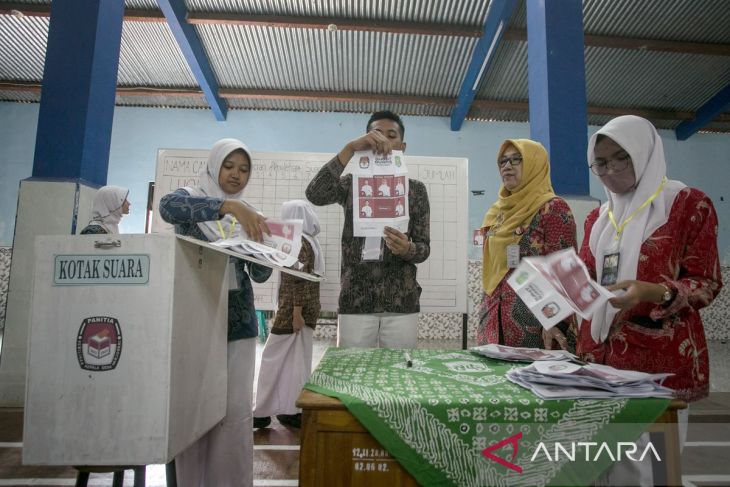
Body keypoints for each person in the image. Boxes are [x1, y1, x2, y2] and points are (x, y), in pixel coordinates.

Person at [570, 116, 721, 485]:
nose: (608, 171)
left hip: (657, 359)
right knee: (599, 462)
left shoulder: (687, 205)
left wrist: (655, 292)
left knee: (648, 466)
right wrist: (561, 302)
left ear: (644, 153)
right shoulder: (598, 217)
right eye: (600, 162)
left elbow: (707, 281)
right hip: (598, 360)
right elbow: (588, 278)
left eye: (620, 158)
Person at [159, 138, 272, 487]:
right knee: (194, 410)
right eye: (229, 166)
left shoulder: (248, 214)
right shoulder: (190, 197)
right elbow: (167, 207)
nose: (236, 175)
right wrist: (229, 208)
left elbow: (259, 274)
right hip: (195, 320)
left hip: (238, 324)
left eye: (244, 170)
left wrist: (267, 249)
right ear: (214, 165)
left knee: (235, 413)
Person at [306, 110, 430, 348]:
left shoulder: (415, 190)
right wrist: (350, 148)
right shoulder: (352, 184)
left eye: (391, 135)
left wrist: (407, 249)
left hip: (401, 302)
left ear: (402, 147)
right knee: (351, 374)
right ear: (365, 141)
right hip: (356, 300)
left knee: (397, 375)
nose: (382, 140)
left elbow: (424, 248)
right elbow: (315, 193)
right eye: (376, 134)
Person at [477, 139, 577, 350]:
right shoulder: (497, 213)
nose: (507, 166)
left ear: (535, 164)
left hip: (538, 324)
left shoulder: (552, 209)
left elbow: (565, 274)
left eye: (517, 159)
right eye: (502, 161)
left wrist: (554, 321)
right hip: (493, 319)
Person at [253, 200, 323, 430]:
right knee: (296, 361)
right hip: (304, 308)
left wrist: (295, 312)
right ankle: (290, 409)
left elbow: (297, 278)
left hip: (294, 310)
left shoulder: (299, 241)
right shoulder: (310, 241)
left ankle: (262, 411)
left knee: (272, 358)